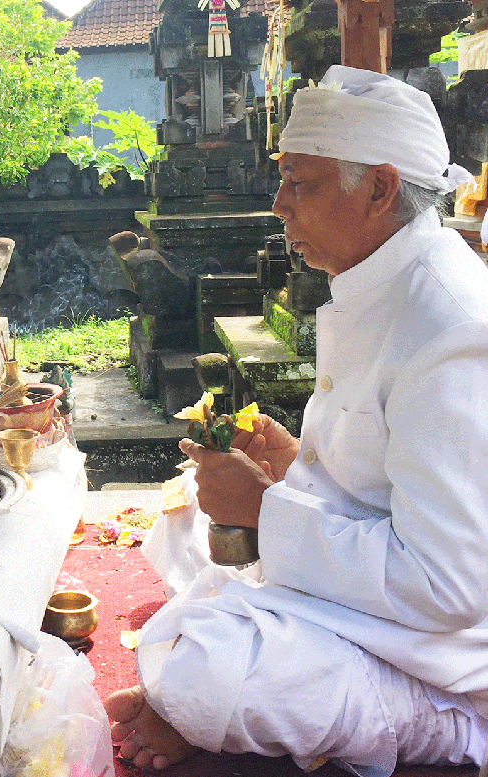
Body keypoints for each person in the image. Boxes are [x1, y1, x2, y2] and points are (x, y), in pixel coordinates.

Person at [105, 64, 488, 776]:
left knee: (206, 672)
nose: (278, 203)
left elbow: (448, 589)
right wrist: (289, 464)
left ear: (379, 188)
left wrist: (265, 510)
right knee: (186, 517)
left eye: (300, 183)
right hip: (375, 601)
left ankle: (444, 725)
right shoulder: (378, 281)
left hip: (449, 655)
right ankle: (217, 695)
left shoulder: (450, 327)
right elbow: (371, 482)